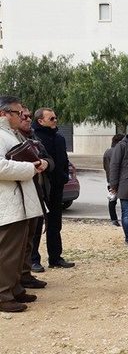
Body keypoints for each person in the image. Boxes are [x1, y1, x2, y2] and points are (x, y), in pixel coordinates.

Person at [0, 96, 47, 312]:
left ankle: (15, 288)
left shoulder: (12, 134)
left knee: (19, 251)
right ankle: (3, 295)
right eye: (18, 113)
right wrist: (30, 167)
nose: (22, 116)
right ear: (3, 113)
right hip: (8, 203)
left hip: (20, 203)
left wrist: (38, 162)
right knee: (8, 252)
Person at [32, 107, 75, 269]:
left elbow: (64, 159)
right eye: (51, 118)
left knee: (55, 224)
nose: (55, 120)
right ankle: (33, 259)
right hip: (40, 187)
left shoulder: (59, 138)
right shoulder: (34, 138)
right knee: (37, 225)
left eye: (56, 118)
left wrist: (64, 176)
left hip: (57, 187)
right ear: (40, 121)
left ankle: (55, 258)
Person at [16, 106, 50, 289]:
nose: (28, 119)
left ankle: (25, 274)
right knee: (17, 241)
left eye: (29, 116)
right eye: (24, 116)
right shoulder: (8, 138)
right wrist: (30, 167)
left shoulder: (33, 138)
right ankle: (13, 282)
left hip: (36, 191)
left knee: (32, 234)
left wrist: (45, 163)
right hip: (17, 194)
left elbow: (48, 158)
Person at [103, 134, 125, 226]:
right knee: (124, 201)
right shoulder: (120, 151)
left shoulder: (107, 152)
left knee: (112, 200)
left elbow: (105, 166)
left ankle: (113, 219)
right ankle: (125, 219)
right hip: (122, 179)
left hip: (110, 179)